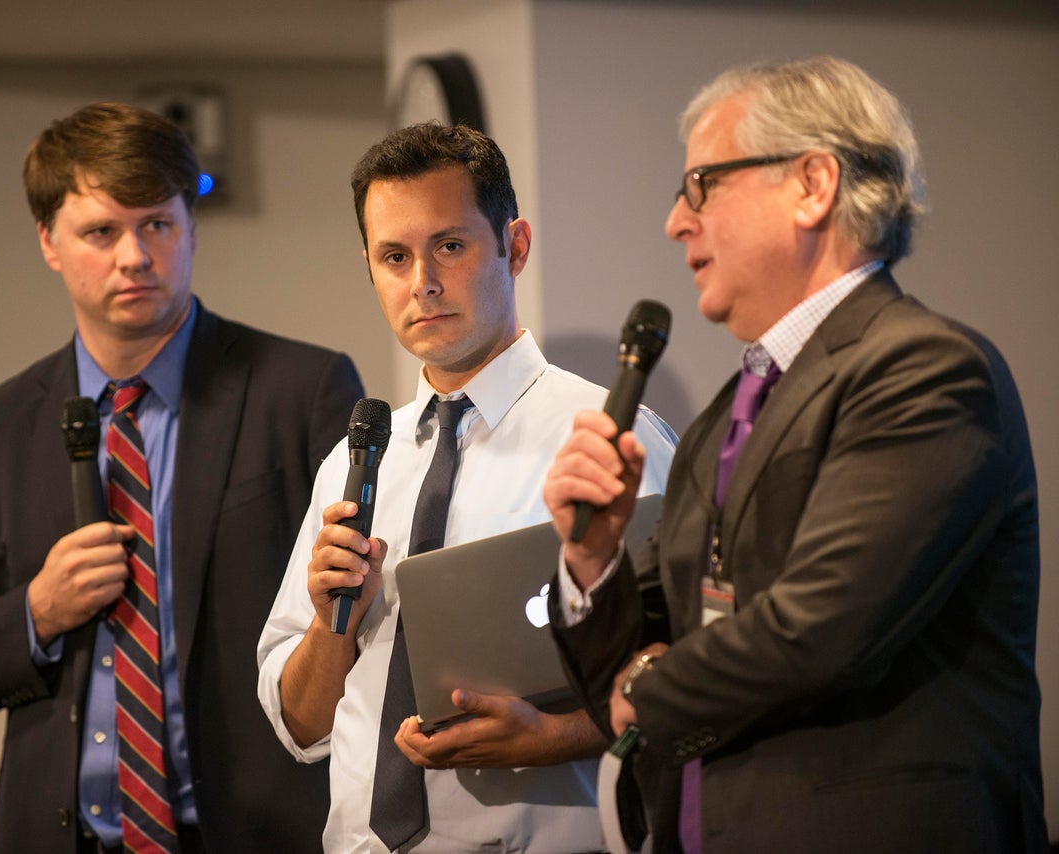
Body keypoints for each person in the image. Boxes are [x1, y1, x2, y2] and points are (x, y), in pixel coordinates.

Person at [544, 56, 1047, 853]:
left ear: (813, 185)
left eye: (702, 183)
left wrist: (650, 681)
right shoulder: (728, 410)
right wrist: (590, 561)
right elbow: (633, 650)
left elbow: (819, 628)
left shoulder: (926, 369)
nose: (677, 219)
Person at [0, 102, 364, 853]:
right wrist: (37, 611)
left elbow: (366, 619)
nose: (135, 256)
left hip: (262, 834)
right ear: (49, 242)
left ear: (192, 229)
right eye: (101, 232)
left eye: (157, 224)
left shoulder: (302, 389)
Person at [256, 122, 678, 853]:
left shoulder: (612, 439)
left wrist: (552, 737)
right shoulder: (355, 464)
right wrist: (335, 627)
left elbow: (689, 680)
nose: (421, 281)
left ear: (515, 246)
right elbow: (302, 728)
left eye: (449, 246)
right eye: (394, 256)